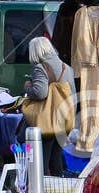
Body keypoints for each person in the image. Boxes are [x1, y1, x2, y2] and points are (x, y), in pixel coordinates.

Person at [21, 37, 75, 174]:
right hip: (63, 119)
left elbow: (40, 93)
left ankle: (41, 189)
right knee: (56, 158)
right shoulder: (67, 67)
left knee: (42, 158)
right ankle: (57, 189)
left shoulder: (41, 67)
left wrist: (28, 87)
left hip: (47, 120)